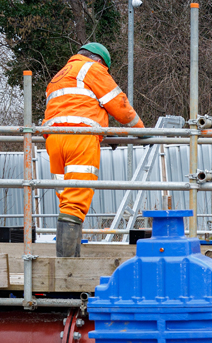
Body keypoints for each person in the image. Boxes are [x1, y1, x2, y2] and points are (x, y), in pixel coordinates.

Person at [43, 42, 145, 257]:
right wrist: (143, 131)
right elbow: (120, 105)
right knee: (76, 202)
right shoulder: (92, 68)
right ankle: (69, 266)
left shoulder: (59, 76)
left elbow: (78, 107)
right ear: (100, 61)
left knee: (66, 199)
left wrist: (106, 132)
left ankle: (68, 259)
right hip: (79, 140)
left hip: (54, 141)